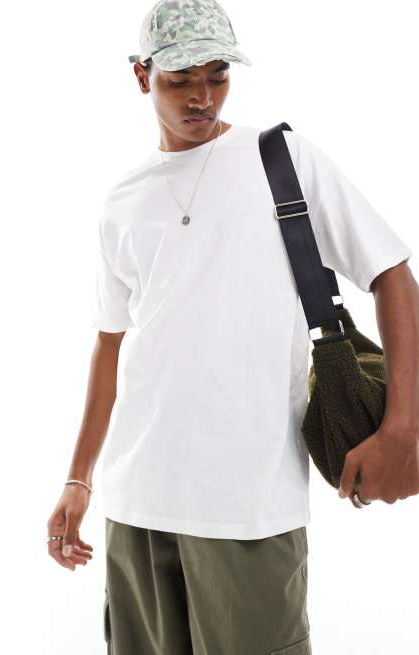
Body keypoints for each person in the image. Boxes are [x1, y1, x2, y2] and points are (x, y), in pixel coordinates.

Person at [46, 1, 415, 653]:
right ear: (141, 76)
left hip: (249, 504)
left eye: (217, 76)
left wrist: (403, 427)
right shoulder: (122, 202)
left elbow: (391, 274)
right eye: (180, 79)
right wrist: (79, 479)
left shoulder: (282, 159)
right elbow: (110, 344)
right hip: (136, 501)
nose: (202, 96)